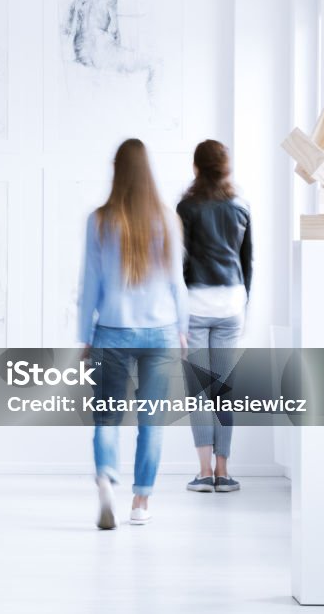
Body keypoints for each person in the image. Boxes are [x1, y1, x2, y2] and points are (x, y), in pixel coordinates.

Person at [79, 138, 188, 529]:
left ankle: (106, 477)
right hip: (160, 332)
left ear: (117, 170)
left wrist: (85, 336)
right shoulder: (167, 219)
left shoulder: (100, 220)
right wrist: (183, 330)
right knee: (152, 420)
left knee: (106, 418)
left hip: (111, 330)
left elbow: (89, 285)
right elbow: (178, 282)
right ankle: (141, 501)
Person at [177, 140, 252, 493]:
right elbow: (246, 262)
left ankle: (204, 471)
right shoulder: (241, 206)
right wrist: (243, 303)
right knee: (223, 391)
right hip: (231, 304)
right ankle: (224, 472)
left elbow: (179, 265)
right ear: (226, 168)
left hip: (195, 304)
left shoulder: (186, 208)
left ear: (196, 168)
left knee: (199, 391)